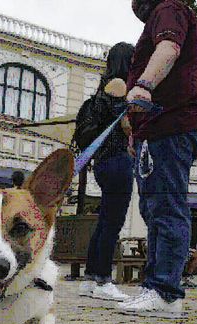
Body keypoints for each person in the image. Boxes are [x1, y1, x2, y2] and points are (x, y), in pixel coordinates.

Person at [116, 0, 197, 317]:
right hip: (155, 130)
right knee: (155, 210)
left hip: (172, 125)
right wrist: (136, 134)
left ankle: (165, 293)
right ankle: (155, 287)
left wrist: (144, 84)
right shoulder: (159, 16)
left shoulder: (169, 9)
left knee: (166, 207)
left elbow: (169, 48)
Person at [78, 42, 135, 301]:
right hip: (116, 160)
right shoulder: (120, 86)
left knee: (105, 221)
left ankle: (91, 278)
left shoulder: (103, 87)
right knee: (113, 222)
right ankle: (102, 279)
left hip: (102, 162)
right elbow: (123, 124)